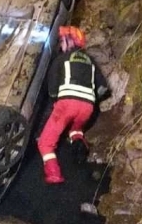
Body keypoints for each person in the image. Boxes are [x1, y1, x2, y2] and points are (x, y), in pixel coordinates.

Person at [37, 26, 109, 184]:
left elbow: (53, 89)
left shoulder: (61, 59)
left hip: (67, 104)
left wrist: (56, 103)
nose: (61, 44)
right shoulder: (91, 61)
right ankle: (79, 147)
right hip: (87, 107)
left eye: (63, 41)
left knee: (45, 143)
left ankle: (54, 174)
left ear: (69, 42)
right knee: (75, 128)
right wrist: (90, 99)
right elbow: (103, 88)